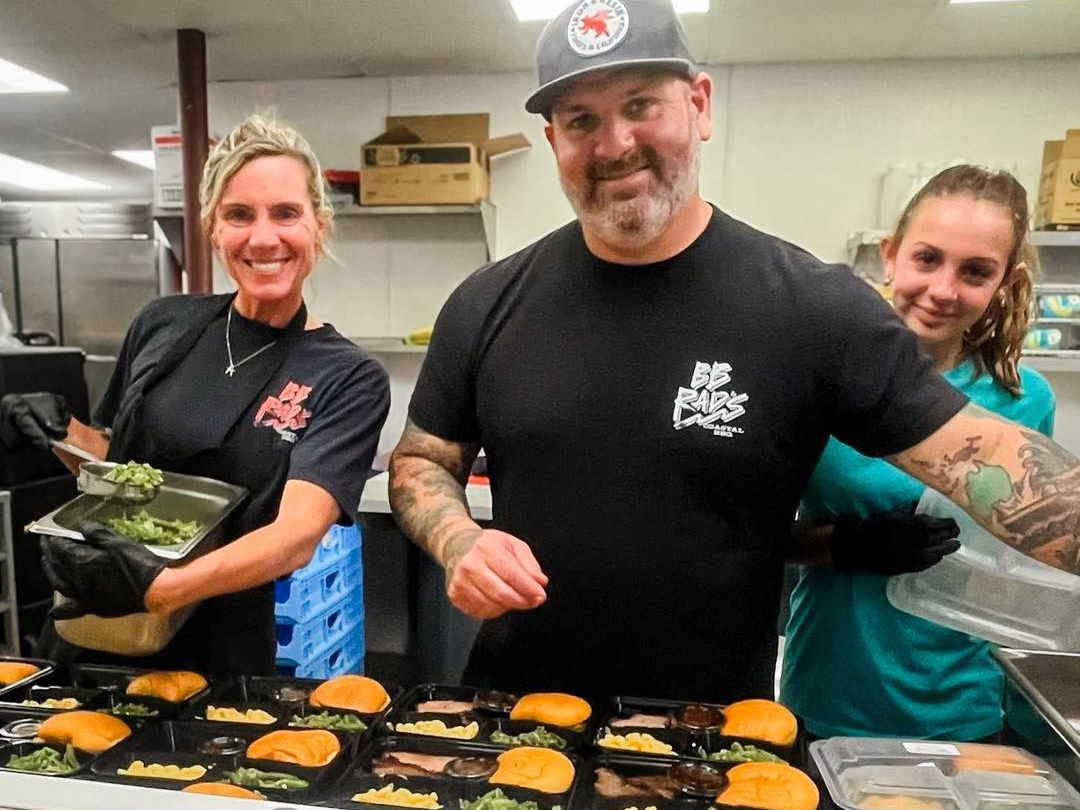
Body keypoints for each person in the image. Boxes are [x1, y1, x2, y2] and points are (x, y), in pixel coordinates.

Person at [389, 0, 1080, 703]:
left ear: (700, 104)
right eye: (581, 120)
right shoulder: (487, 301)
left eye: (640, 104)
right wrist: (459, 541)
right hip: (515, 713)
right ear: (554, 139)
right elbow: (421, 461)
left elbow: (988, 456)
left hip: (710, 739)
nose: (614, 142)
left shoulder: (813, 308)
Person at [0, 114, 390, 676]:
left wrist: (164, 589)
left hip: (216, 652)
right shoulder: (164, 323)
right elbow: (113, 465)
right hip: (93, 620)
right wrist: (54, 428)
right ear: (212, 227)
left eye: (286, 213)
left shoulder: (347, 377)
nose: (263, 237)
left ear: (319, 226)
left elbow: (294, 536)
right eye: (239, 215)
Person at [780, 167, 1054, 741]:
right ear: (890, 255)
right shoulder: (815, 386)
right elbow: (749, 538)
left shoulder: (1024, 406)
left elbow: (1021, 568)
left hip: (961, 709)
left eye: (975, 271)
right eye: (927, 259)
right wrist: (843, 544)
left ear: (1006, 281)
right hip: (828, 698)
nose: (943, 290)